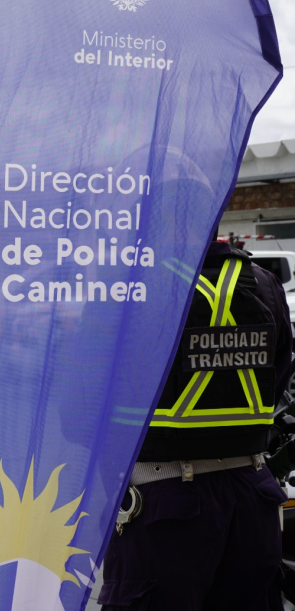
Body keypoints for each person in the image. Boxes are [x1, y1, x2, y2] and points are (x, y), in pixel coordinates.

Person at [100, 240, 292, 610]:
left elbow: (80, 412)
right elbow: (278, 381)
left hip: (162, 506)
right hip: (253, 502)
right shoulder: (263, 283)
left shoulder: (130, 288)